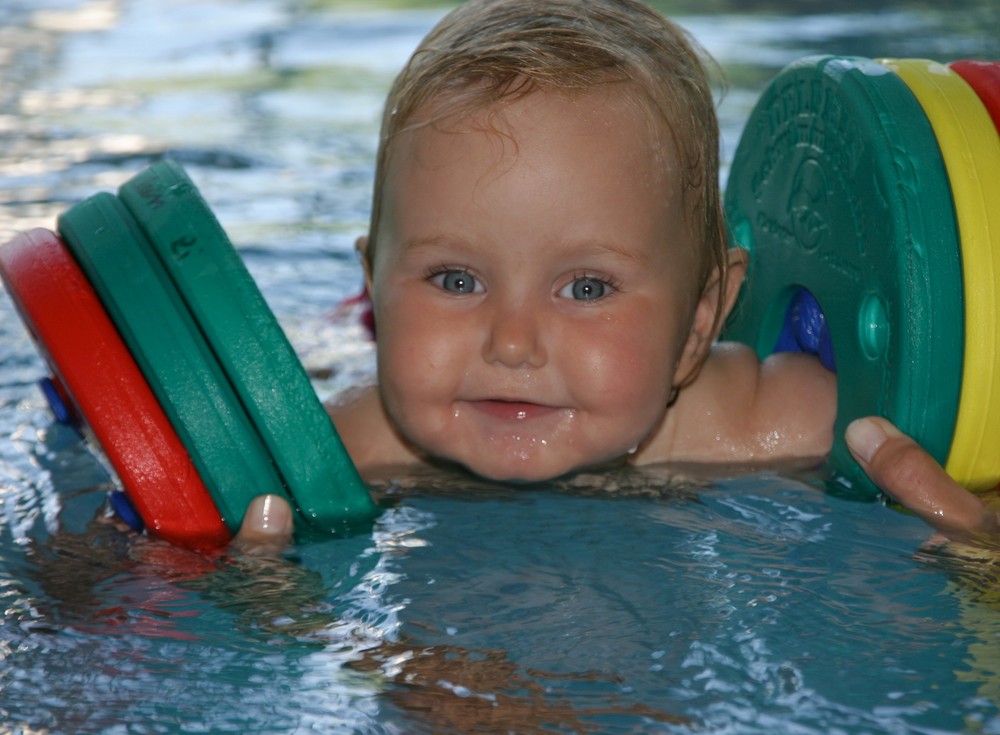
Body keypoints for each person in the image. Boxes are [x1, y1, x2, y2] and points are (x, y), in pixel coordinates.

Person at [234, 0, 997, 552]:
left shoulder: (778, 424)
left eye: (587, 288)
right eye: (455, 279)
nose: (512, 342)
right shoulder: (347, 451)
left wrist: (980, 531)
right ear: (377, 288)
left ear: (700, 323)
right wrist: (248, 580)